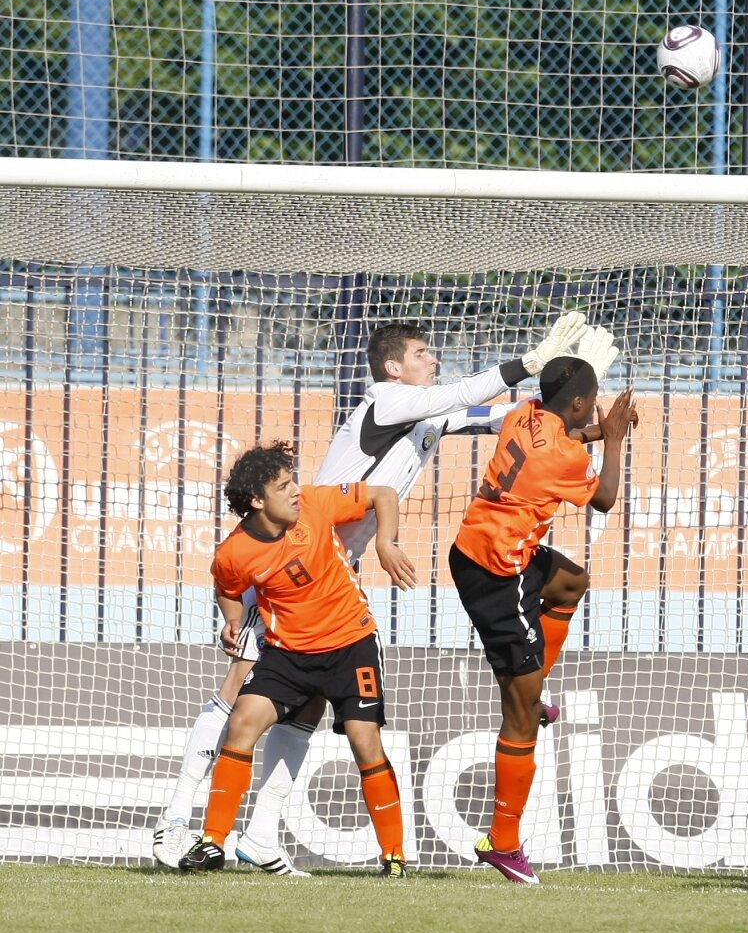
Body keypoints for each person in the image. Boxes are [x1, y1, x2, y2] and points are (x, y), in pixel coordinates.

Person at [153, 312, 590, 873]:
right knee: (237, 694)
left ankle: (259, 836)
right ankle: (176, 822)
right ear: (393, 368)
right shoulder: (384, 401)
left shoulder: (426, 415)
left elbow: (494, 418)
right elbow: (462, 393)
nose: (433, 358)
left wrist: (565, 404)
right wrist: (527, 363)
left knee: (304, 710)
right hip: (287, 566)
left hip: (333, 578)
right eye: (422, 353)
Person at [177, 441, 412, 876]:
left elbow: (383, 494)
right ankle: (212, 843)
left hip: (350, 643)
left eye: (293, 482)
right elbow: (228, 590)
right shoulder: (234, 552)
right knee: (243, 722)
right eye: (283, 486)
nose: (295, 492)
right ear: (256, 501)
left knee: (365, 742)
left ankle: (394, 856)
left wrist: (385, 542)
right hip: (289, 654)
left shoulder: (316, 505)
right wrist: (232, 622)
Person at [449, 334, 635, 885]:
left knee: (571, 582)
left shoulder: (529, 415)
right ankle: (502, 842)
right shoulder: (563, 454)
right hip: (497, 576)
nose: (591, 411)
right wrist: (618, 441)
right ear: (576, 403)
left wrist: (600, 429)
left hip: (488, 547)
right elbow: (603, 497)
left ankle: (536, 684)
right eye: (591, 401)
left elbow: (574, 433)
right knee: (521, 716)